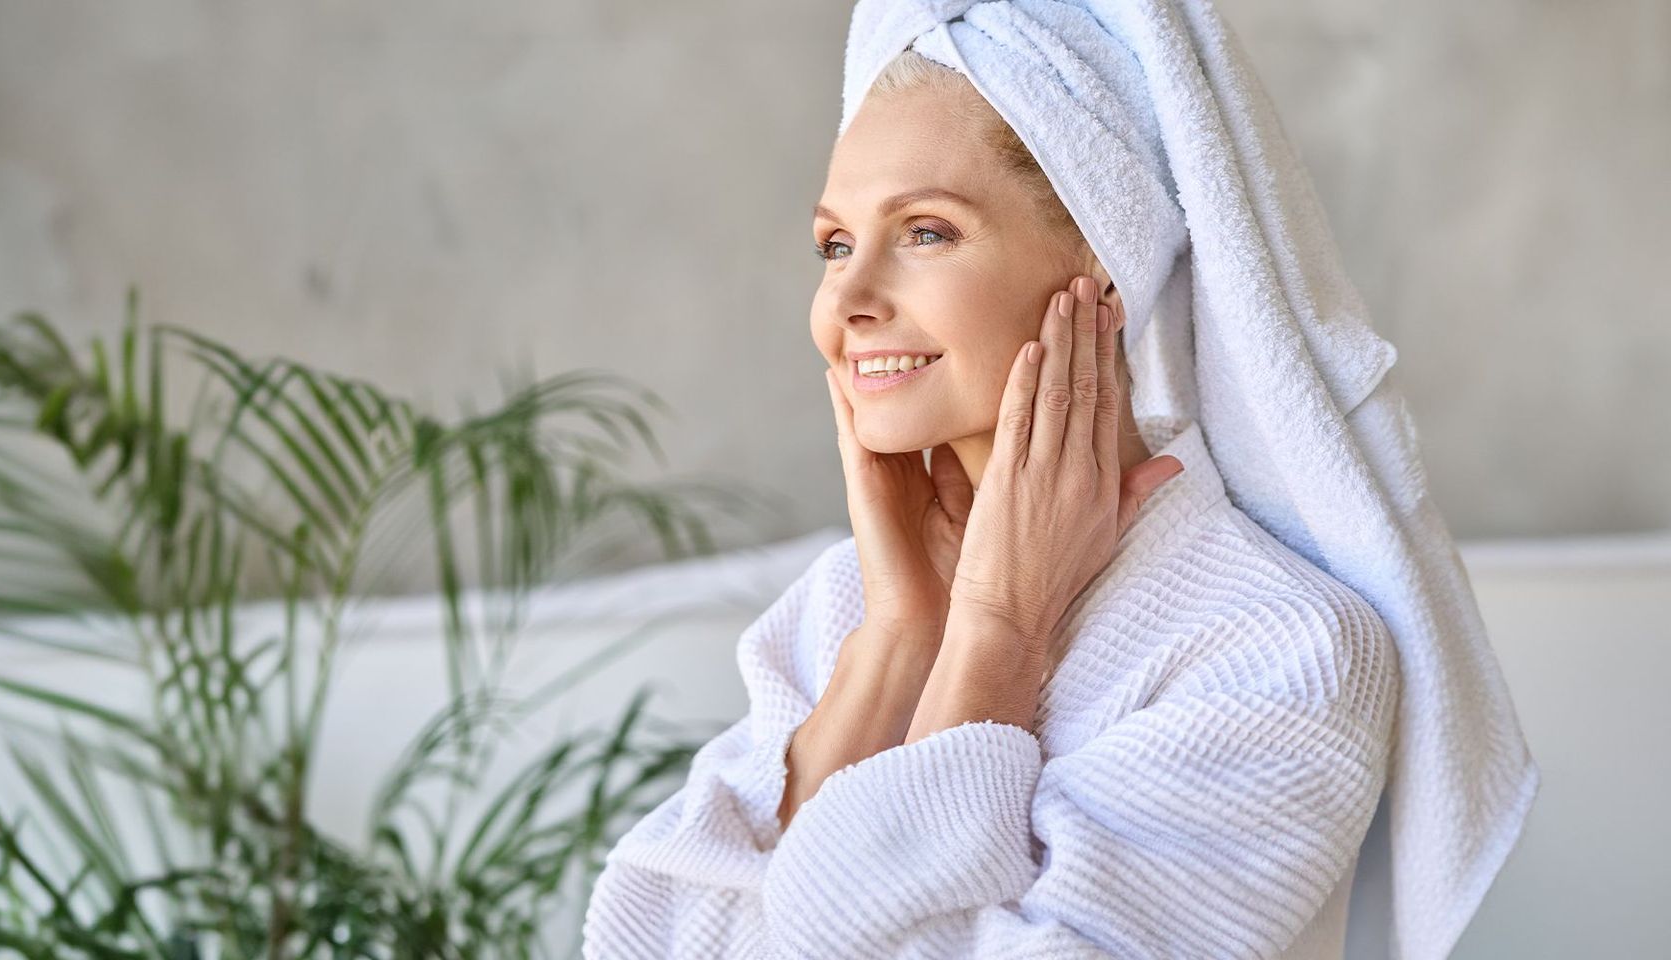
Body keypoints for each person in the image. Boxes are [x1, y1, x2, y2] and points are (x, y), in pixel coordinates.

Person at [583, 3, 1537, 958]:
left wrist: (997, 636)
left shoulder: (1284, 648)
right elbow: (643, 942)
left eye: (925, 232)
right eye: (834, 244)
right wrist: (904, 641)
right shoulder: (846, 610)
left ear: (1104, 271)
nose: (849, 300)